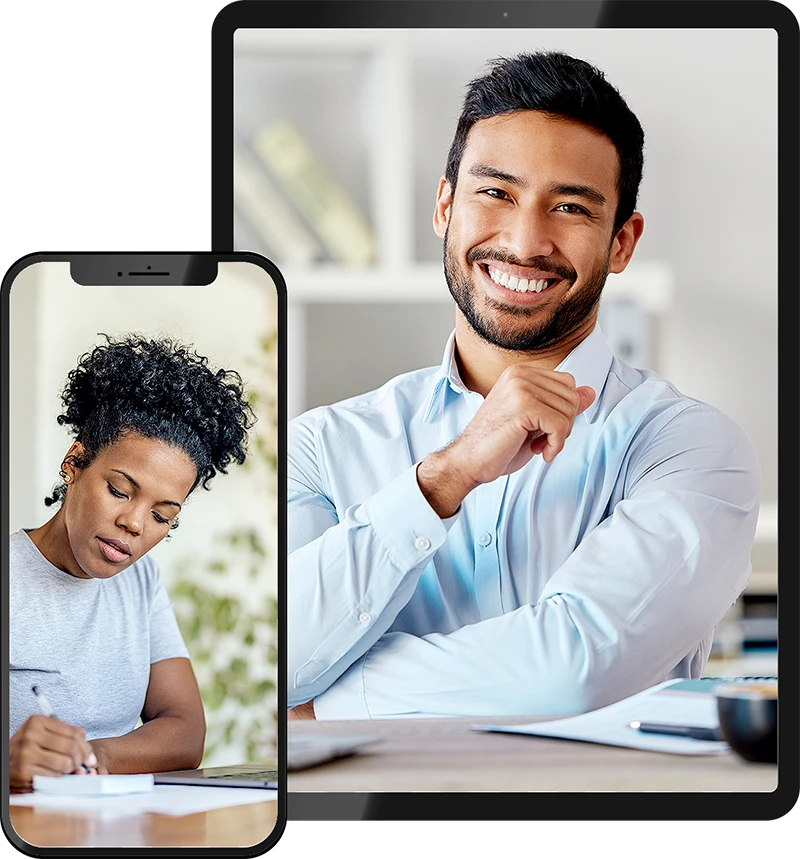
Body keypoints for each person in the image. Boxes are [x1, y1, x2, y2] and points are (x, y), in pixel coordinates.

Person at [287, 51, 760, 720]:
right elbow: (270, 659)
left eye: (570, 207)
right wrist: (443, 479)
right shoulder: (318, 446)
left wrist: (323, 701)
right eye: (496, 192)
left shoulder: (692, 448)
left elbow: (573, 670)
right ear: (446, 205)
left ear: (621, 242)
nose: (524, 240)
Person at [9, 334, 255, 787]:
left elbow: (185, 731)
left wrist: (90, 758)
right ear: (74, 462)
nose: (136, 524)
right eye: (120, 491)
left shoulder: (139, 579)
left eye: (163, 515)